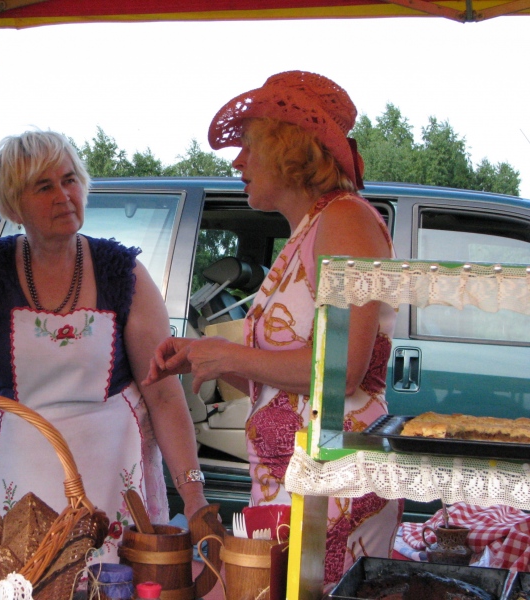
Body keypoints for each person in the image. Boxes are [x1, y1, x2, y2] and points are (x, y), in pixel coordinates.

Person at [144, 71, 403, 587]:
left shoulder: (345, 220)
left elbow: (343, 371)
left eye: (249, 144)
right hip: (299, 480)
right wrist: (201, 355)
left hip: (332, 481)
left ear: (288, 149)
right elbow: (284, 386)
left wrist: (227, 355)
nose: (237, 160)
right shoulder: (313, 226)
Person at [0, 130, 208, 562]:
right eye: (44, 187)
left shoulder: (121, 271)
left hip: (114, 480)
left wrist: (194, 498)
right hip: (25, 484)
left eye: (70, 180)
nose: (63, 196)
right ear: (13, 205)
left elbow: (163, 395)